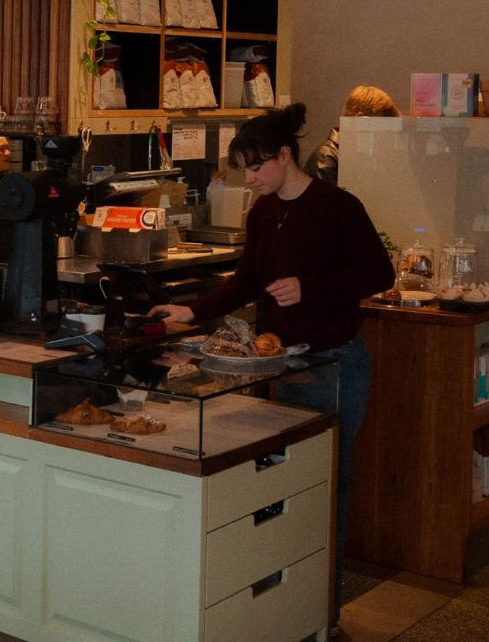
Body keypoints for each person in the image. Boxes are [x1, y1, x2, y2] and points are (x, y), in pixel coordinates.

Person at [151, 103, 394, 631]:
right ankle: (281, 607)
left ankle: (323, 614)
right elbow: (246, 281)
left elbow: (380, 274)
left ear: (285, 156)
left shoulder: (337, 206)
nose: (250, 179)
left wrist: (310, 287)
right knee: (279, 485)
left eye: (256, 167)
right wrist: (192, 311)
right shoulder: (263, 213)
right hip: (278, 365)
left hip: (334, 363)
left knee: (326, 485)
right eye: (243, 168)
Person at [303, 85, 400, 185]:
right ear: (361, 122)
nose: (385, 136)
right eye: (382, 127)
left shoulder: (354, 155)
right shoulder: (326, 159)